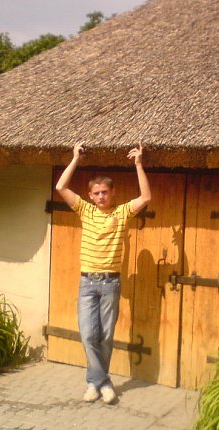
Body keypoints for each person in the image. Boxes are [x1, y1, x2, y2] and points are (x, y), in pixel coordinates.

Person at [55, 141, 151, 404]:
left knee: (105, 336)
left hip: (110, 284)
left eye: (104, 192)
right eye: (96, 193)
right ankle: (102, 382)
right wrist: (75, 159)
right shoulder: (85, 211)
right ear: (90, 196)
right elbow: (61, 187)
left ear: (112, 192)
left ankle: (94, 383)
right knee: (88, 334)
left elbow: (146, 198)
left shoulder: (121, 213)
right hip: (87, 282)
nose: (100, 197)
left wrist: (138, 164)